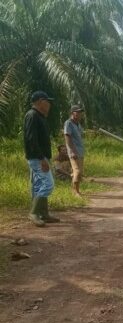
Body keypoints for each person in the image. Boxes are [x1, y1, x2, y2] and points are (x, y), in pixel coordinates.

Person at [23, 90, 59, 226]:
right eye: (47, 101)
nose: (49, 104)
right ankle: (33, 213)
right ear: (39, 102)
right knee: (48, 184)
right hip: (37, 158)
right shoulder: (32, 115)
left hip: (41, 157)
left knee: (39, 186)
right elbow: (31, 139)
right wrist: (41, 158)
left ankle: (43, 214)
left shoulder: (40, 116)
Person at [64, 104, 85, 197]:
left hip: (80, 151)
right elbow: (67, 137)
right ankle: (75, 192)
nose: (80, 114)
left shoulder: (78, 124)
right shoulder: (68, 123)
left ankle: (76, 190)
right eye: (78, 112)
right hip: (74, 152)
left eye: (81, 112)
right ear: (73, 113)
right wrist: (72, 151)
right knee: (77, 171)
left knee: (79, 171)